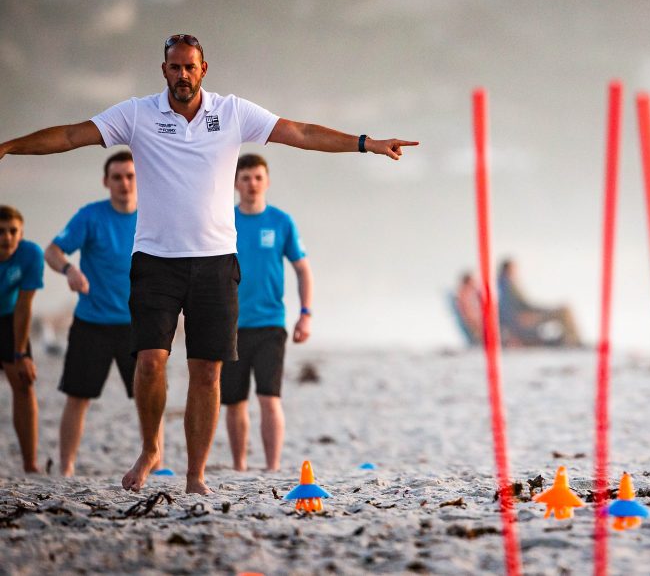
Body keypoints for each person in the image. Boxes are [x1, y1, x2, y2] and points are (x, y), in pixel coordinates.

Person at [0, 33, 418, 494]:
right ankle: (151, 448)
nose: (181, 75)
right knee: (150, 363)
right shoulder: (137, 114)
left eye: (189, 67)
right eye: (174, 67)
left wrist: (366, 143)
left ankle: (196, 474)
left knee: (207, 372)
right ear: (164, 71)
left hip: (216, 263)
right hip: (156, 261)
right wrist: (9, 147)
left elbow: (300, 133)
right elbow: (70, 134)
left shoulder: (233, 112)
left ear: (203, 69)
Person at [45, 151, 168, 476]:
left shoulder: (155, 215)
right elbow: (52, 251)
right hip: (93, 323)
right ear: (106, 182)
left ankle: (157, 464)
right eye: (117, 177)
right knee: (77, 396)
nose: (124, 183)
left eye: (130, 176)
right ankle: (67, 467)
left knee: (152, 395)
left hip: (139, 324)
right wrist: (69, 269)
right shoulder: (90, 216)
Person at [221, 153, 312, 472]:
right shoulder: (223, 220)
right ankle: (239, 465)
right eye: (245, 178)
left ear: (267, 181)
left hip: (271, 323)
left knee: (269, 397)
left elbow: (302, 269)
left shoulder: (281, 221)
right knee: (234, 402)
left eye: (258, 177)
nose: (252, 184)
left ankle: (272, 467)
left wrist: (305, 313)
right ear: (235, 184)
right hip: (229, 325)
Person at [0, 205, 44, 473]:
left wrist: (20, 354)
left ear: (21, 233)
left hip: (9, 318)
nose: (6, 237)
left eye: (12, 231)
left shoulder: (30, 254)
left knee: (24, 383)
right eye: (0, 231)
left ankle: (30, 463)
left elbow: (25, 305)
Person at [497, 258, 582, 348]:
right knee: (564, 312)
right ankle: (573, 341)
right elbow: (523, 305)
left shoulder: (502, 285)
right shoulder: (507, 285)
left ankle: (570, 340)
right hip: (523, 320)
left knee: (563, 312)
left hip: (521, 320)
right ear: (507, 269)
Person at [452, 272, 484, 346]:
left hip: (476, 319)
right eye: (473, 281)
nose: (475, 283)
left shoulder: (471, 292)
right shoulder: (464, 294)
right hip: (474, 321)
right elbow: (468, 312)